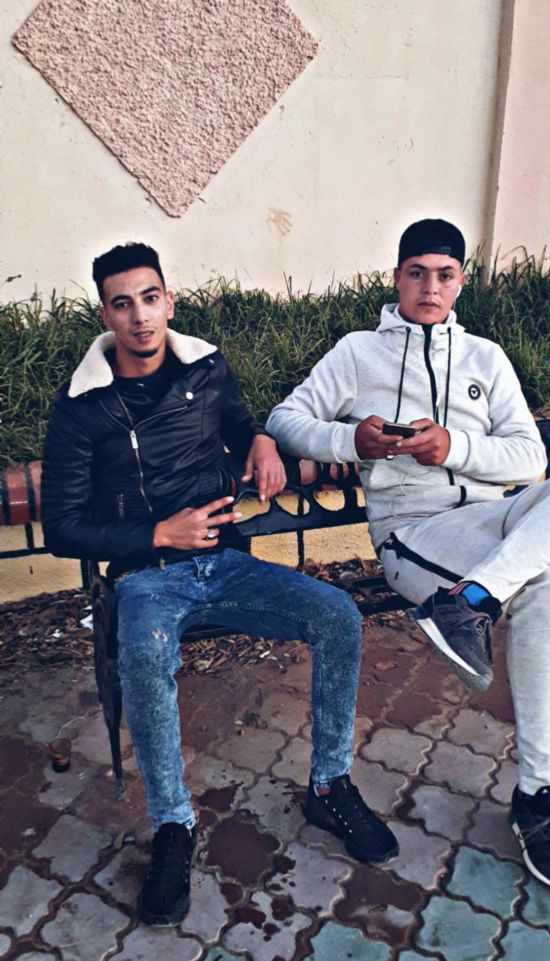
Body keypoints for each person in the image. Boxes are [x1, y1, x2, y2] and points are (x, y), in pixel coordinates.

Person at [266, 218, 550, 892]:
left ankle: (471, 601)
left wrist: (453, 448)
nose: (430, 287)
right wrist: (354, 441)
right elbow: (286, 419)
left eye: (444, 275)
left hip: (492, 515)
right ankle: (541, 793)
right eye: (417, 273)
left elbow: (527, 456)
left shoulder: (485, 357)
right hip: (416, 530)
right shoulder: (358, 353)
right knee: (549, 584)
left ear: (461, 282)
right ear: (397, 278)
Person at [41, 243, 398, 926]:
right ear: (105, 315)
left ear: (168, 301)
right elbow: (61, 526)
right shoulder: (82, 408)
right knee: (144, 654)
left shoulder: (205, 368)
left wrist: (260, 441)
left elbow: (238, 424)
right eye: (123, 304)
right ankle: (174, 824)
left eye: (150, 298)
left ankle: (329, 785)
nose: (140, 317)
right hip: (147, 578)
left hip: (225, 563)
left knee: (338, 615)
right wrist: (157, 535)